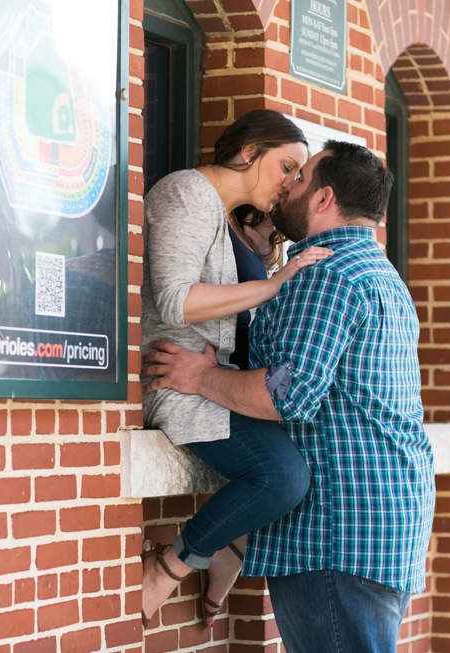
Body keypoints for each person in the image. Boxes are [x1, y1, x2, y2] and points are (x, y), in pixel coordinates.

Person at [143, 141, 436, 652]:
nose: (286, 188)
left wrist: (199, 377)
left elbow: (286, 395)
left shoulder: (326, 274)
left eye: (298, 180)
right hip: (383, 521)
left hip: (338, 535)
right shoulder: (380, 275)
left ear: (322, 200)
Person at [139, 109, 332, 629]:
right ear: (249, 153)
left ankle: (228, 546)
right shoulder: (186, 193)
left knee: (302, 462)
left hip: (207, 380)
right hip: (174, 377)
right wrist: (275, 283)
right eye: (286, 167)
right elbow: (176, 300)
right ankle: (170, 565)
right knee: (283, 476)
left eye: (300, 175)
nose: (292, 183)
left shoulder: (222, 216)